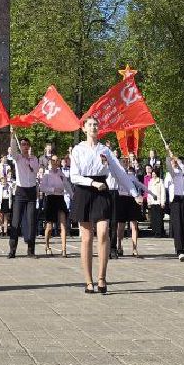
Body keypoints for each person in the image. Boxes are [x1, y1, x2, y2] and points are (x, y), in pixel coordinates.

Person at [68, 118, 137, 294]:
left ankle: (102, 278)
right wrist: (91, 183)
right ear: (84, 129)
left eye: (95, 125)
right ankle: (88, 280)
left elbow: (119, 172)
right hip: (84, 190)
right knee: (86, 238)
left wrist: (134, 193)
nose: (93, 127)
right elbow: (74, 176)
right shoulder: (78, 149)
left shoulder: (104, 150)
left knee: (104, 231)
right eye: (89, 124)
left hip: (102, 190)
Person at [3, 137, 40, 258]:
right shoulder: (17, 157)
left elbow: (34, 171)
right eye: (22, 144)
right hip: (20, 191)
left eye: (26, 144)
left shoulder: (34, 159)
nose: (24, 146)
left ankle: (31, 250)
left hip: (31, 191)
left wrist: (29, 160)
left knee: (31, 222)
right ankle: (12, 250)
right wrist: (13, 138)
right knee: (16, 221)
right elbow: (13, 151)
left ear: (29, 146)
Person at [38, 155, 70, 257]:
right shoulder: (47, 174)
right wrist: (53, 190)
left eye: (57, 160)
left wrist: (74, 196)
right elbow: (42, 188)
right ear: (50, 162)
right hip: (51, 199)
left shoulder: (61, 173)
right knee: (49, 227)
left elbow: (67, 186)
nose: (55, 162)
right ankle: (47, 246)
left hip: (60, 199)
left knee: (63, 224)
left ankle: (64, 249)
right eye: (53, 160)